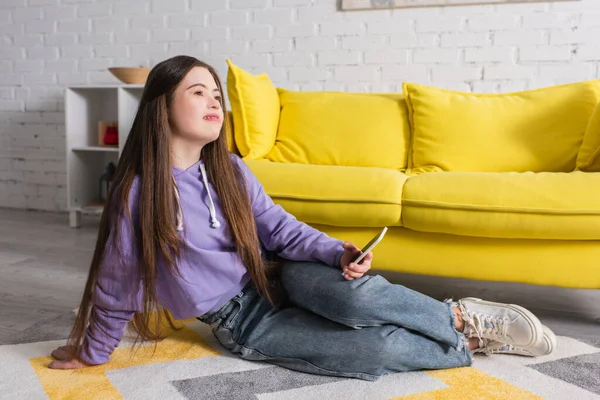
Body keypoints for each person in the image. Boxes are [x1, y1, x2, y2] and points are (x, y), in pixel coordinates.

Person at [48, 55, 556, 379]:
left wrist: (339, 251)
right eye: (197, 91)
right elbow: (116, 283)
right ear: (161, 107)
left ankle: (459, 316)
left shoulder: (230, 169)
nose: (214, 101)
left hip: (279, 276)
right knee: (370, 353)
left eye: (217, 94)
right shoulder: (137, 192)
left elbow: (278, 228)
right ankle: (466, 343)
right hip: (239, 321)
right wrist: (93, 353)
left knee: (351, 296)